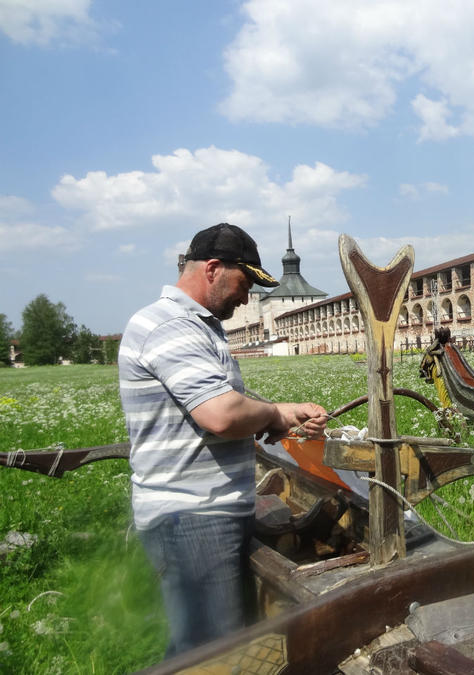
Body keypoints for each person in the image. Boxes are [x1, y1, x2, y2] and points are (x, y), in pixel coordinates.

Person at [118, 223, 328, 656]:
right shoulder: (171, 326)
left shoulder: (193, 325)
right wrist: (270, 414)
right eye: (244, 282)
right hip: (192, 517)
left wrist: (280, 414)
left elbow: (223, 401)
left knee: (208, 644)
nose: (247, 297)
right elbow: (221, 413)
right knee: (210, 653)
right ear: (213, 269)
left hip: (199, 515)